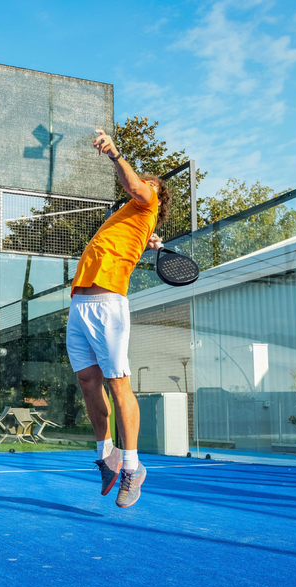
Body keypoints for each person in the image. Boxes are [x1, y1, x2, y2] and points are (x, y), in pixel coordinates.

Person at [67, 129, 172, 508]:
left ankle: (132, 467)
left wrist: (114, 154)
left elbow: (136, 186)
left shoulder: (146, 198)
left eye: (148, 183)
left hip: (108, 304)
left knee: (118, 385)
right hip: (80, 303)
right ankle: (107, 454)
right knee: (87, 381)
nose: (142, 183)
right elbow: (137, 232)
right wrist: (151, 237)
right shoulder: (132, 219)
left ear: (154, 192)